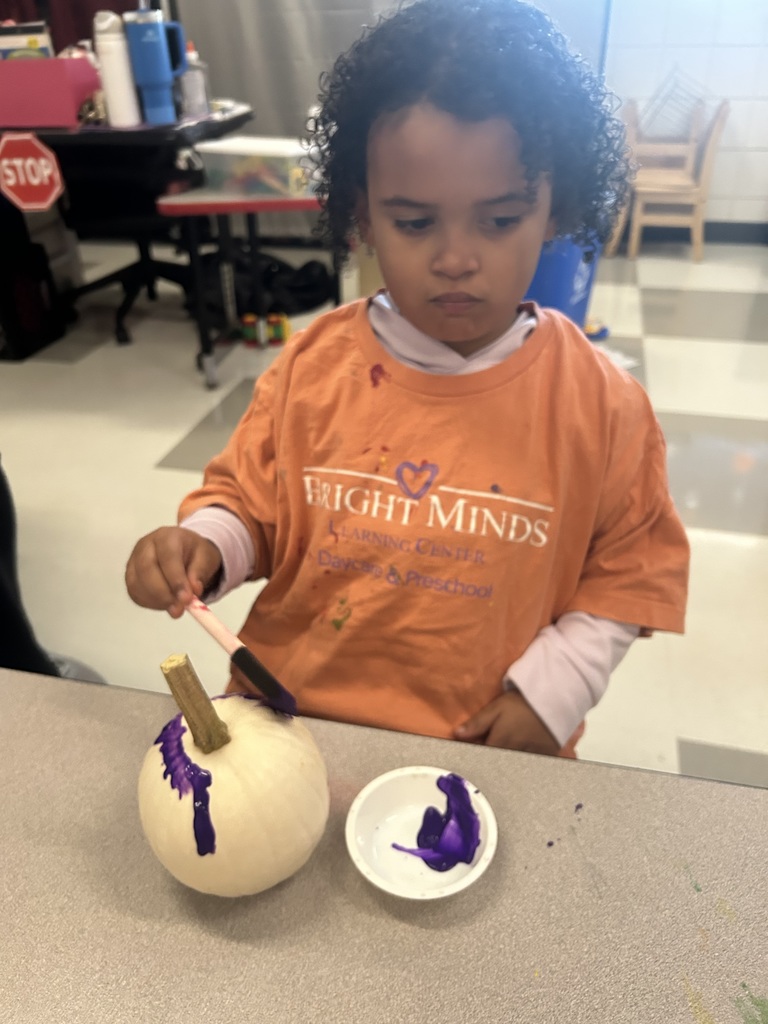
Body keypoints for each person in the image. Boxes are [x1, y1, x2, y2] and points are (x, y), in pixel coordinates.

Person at [125, 0, 689, 757]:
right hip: (292, 724)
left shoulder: (605, 405)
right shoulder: (311, 367)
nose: (456, 259)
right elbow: (250, 508)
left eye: (500, 220)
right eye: (416, 223)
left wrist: (555, 692)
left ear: (555, 208)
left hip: (483, 744)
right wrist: (203, 546)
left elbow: (630, 571)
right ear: (362, 214)